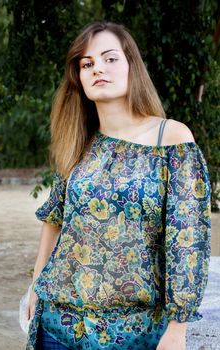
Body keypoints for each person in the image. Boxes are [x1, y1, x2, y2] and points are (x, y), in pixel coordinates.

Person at [25, 20, 211, 350]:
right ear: (79, 78)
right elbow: (54, 219)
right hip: (57, 329)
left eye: (110, 58)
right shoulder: (79, 142)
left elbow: (188, 241)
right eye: (87, 64)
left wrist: (177, 329)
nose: (99, 69)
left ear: (131, 66)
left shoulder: (171, 139)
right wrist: (37, 285)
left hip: (135, 333)